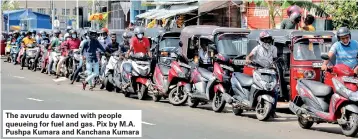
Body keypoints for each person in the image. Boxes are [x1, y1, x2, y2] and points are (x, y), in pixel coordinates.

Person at [245, 31, 279, 118]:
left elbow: (275, 59)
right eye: (265, 39)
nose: (267, 41)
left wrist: (275, 65)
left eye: (268, 39)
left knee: (274, 90)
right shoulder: (257, 48)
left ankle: (273, 110)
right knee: (255, 85)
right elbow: (250, 56)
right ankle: (250, 101)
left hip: (270, 70)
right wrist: (248, 60)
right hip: (258, 69)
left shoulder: (274, 48)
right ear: (261, 40)